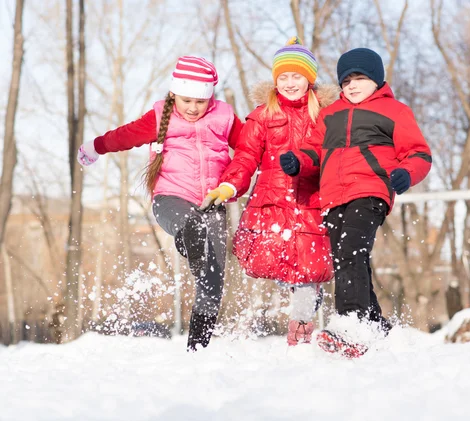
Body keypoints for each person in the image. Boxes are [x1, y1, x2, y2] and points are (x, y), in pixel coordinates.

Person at [77, 56, 243, 352]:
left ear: (211, 99)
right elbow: (125, 135)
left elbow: (249, 148)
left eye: (200, 102)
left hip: (211, 203)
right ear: (173, 94)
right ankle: (190, 240)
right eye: (187, 100)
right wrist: (96, 146)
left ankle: (198, 349)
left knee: (213, 281)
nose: (193, 108)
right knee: (191, 225)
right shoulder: (159, 117)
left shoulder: (225, 117)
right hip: (171, 199)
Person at [280, 48, 432, 357]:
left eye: (360, 78)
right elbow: (314, 150)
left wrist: (405, 173)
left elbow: (419, 153)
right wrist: (297, 160)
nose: (352, 85)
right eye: (346, 80)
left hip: (370, 190)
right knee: (347, 259)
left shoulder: (395, 111)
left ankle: (350, 322)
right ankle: (377, 325)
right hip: (334, 196)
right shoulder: (330, 114)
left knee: (351, 250)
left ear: (376, 80)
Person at [200, 37, 338, 346]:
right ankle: (279, 306)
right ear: (276, 80)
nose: (290, 83)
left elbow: (330, 155)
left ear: (309, 79)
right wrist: (228, 184)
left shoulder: (325, 116)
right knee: (272, 264)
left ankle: (301, 329)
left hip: (309, 203)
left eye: (297, 76)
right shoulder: (262, 115)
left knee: (306, 273)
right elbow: (246, 155)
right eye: (284, 77)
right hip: (271, 203)